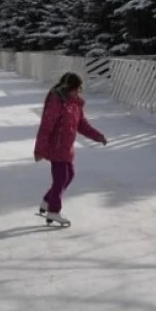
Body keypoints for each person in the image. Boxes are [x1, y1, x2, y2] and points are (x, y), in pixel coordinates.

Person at [33, 72, 107, 226]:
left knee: (69, 176)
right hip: (56, 146)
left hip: (67, 147)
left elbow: (82, 125)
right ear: (68, 87)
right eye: (77, 88)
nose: (79, 91)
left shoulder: (74, 104)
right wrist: (39, 149)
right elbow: (46, 127)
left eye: (80, 89)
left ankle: (47, 201)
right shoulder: (56, 102)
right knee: (60, 178)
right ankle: (54, 211)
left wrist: (98, 136)